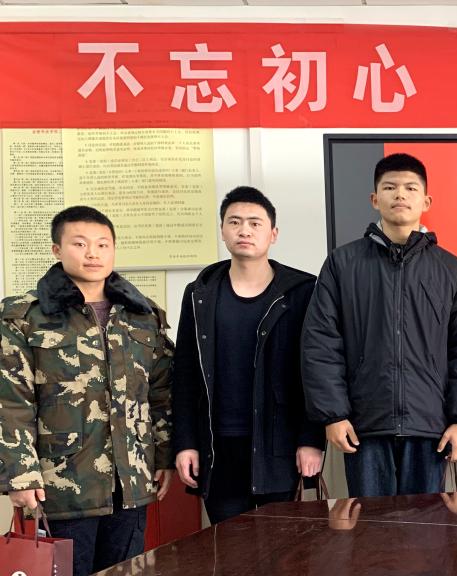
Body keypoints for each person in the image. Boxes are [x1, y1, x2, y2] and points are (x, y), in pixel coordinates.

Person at [0, 206, 174, 576]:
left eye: (102, 244)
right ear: (57, 249)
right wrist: (20, 475)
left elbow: (160, 393)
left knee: (126, 570)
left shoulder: (142, 316)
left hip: (130, 481)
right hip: (61, 483)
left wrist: (164, 457)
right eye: (79, 244)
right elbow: (11, 402)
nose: (92, 253)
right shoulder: (25, 317)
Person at [301, 153, 457, 497]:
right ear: (375, 199)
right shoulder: (343, 264)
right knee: (372, 526)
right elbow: (321, 342)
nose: (400, 194)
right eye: (390, 187)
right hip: (363, 426)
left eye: (410, 188)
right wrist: (333, 415)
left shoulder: (451, 270)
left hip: (430, 427)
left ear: (426, 201)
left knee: (425, 525)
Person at [172, 186, 323, 524]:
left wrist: (311, 439)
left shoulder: (301, 292)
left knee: (282, 547)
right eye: (235, 222)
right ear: (222, 230)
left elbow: (314, 370)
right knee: (229, 546)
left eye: (255, 223)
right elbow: (185, 373)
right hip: (218, 446)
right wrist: (185, 443)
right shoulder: (200, 293)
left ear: (273, 234)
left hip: (280, 445)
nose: (244, 230)